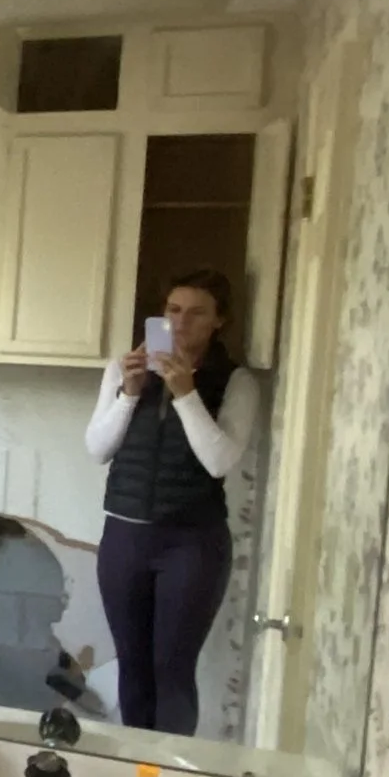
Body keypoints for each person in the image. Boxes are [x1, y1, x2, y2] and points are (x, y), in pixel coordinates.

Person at [84, 267, 260, 736]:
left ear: (219, 321)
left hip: (192, 543)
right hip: (123, 537)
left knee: (172, 672)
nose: (181, 323)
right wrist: (129, 394)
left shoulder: (235, 381)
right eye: (173, 311)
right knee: (133, 668)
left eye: (197, 313)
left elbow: (219, 461)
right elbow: (97, 449)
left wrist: (186, 394)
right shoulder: (124, 371)